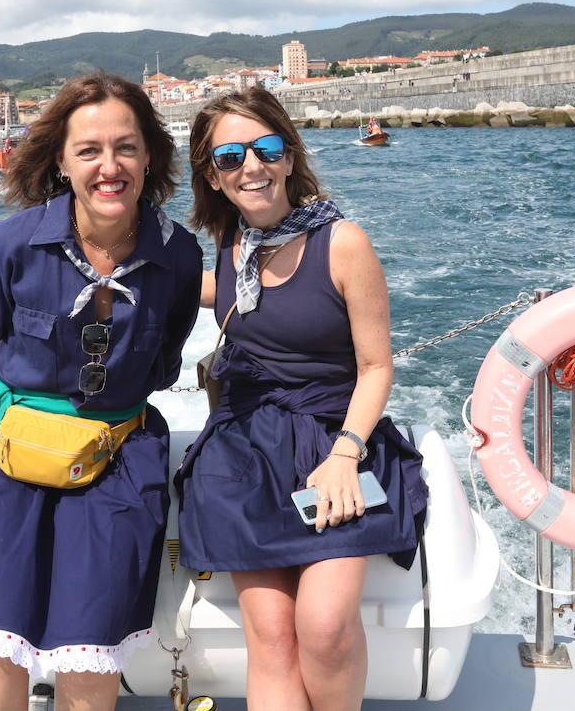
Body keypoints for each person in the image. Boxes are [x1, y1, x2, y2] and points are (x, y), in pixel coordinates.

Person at [0, 73, 203, 711]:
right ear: (61, 161)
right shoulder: (9, 246)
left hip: (118, 457)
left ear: (150, 155)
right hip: (4, 454)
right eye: (89, 151)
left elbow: (163, 357)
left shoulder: (180, 256)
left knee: (91, 643)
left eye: (126, 147)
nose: (110, 166)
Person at [176, 87, 427, 711]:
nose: (250, 167)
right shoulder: (231, 242)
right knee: (270, 635)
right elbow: (233, 293)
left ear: (289, 156)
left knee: (324, 626)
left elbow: (376, 368)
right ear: (213, 174)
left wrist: (345, 454)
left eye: (265, 149)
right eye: (230, 157)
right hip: (243, 452)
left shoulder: (342, 242)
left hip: (331, 441)